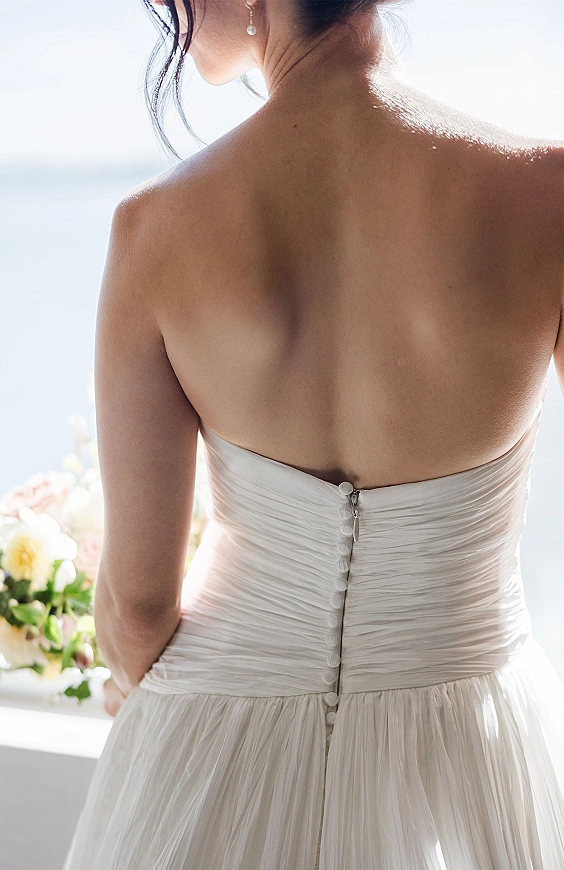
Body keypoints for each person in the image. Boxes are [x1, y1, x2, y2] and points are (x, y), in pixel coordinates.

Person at [63, 0, 564, 867]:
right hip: (472, 747)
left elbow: (137, 613)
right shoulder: (546, 195)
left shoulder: (153, 232)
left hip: (217, 748)